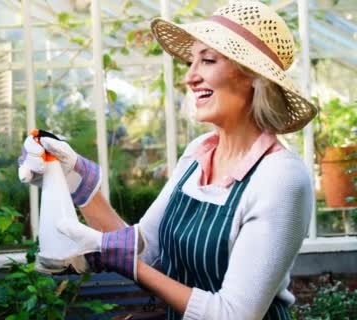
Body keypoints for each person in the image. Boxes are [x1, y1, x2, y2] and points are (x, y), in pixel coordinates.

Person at [18, 1, 318, 319]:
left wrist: (113, 255)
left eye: (208, 60)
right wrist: (76, 178)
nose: (190, 77)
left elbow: (232, 314)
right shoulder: (198, 153)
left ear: (252, 77)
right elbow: (145, 251)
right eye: (191, 62)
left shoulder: (280, 177)